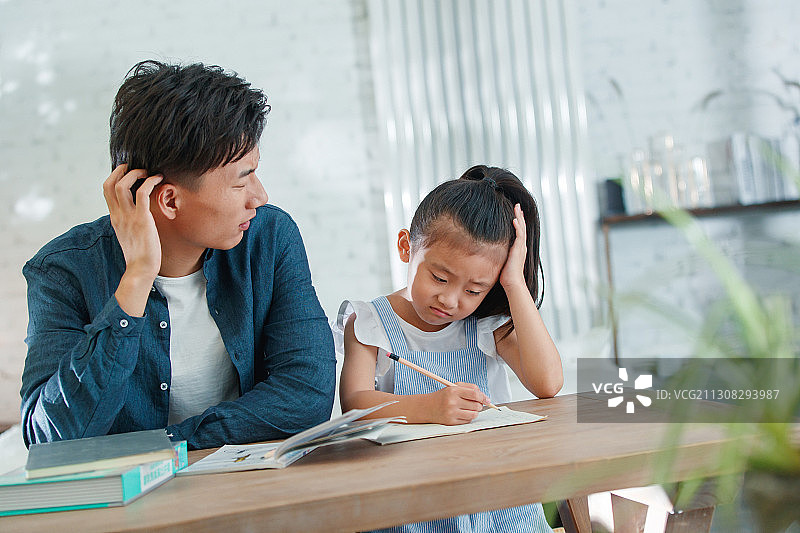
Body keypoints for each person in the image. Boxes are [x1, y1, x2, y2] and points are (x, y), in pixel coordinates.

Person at [20, 60, 336, 450]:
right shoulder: (63, 270)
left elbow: (307, 395)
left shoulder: (268, 237)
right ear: (169, 200)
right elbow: (48, 436)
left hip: (246, 482)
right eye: (242, 180)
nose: (260, 196)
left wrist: (166, 444)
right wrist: (136, 279)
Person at [337, 165, 563, 532]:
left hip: (497, 501)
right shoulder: (370, 322)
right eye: (439, 278)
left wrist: (514, 282)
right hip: (410, 505)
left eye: (474, 290)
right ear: (406, 247)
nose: (451, 300)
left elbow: (548, 382)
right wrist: (429, 406)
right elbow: (355, 405)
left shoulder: (485, 324)